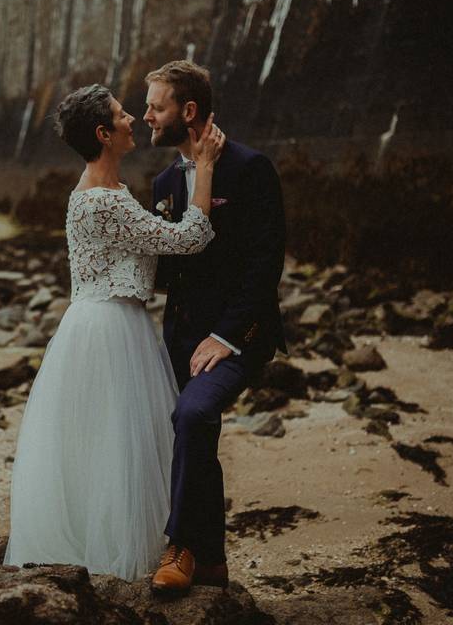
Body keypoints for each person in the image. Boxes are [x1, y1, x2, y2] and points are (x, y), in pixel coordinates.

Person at [4, 84, 225, 581]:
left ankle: (112, 553)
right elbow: (187, 239)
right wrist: (205, 167)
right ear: (104, 134)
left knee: (108, 442)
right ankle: (116, 564)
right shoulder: (105, 203)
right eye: (124, 116)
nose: (135, 121)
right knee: (117, 443)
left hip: (102, 322)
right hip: (109, 328)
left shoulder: (102, 192)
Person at [144, 61, 288, 593]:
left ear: (187, 111)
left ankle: (180, 545)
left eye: (156, 107)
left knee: (196, 412)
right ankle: (213, 565)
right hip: (179, 339)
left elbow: (264, 264)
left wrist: (227, 338)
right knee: (193, 433)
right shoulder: (162, 181)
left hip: (238, 335)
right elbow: (164, 269)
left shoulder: (251, 169)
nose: (146, 117)